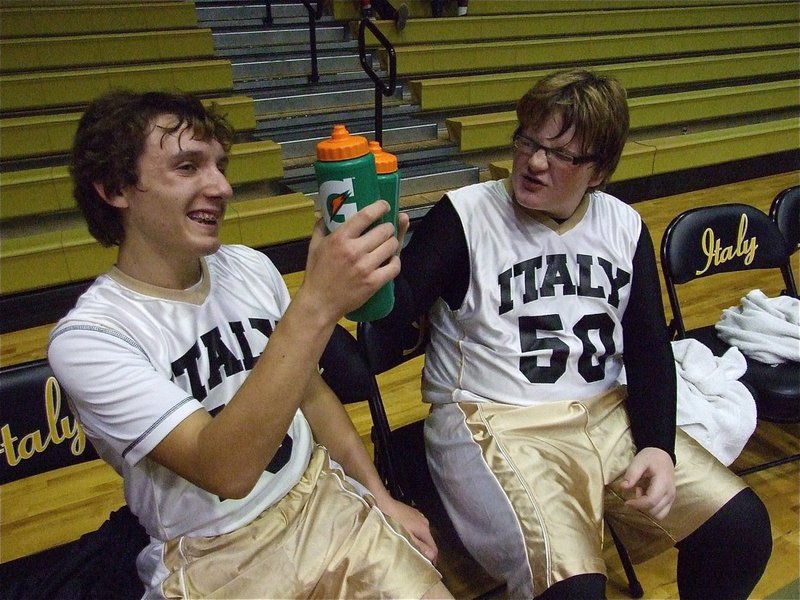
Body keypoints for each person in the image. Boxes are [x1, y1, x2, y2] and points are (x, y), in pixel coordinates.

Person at [372, 68, 773, 599]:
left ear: (599, 171)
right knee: (575, 591)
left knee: (741, 531)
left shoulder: (623, 225)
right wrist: (372, 283)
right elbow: (377, 345)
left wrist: (658, 445)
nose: (535, 163)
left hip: (606, 410)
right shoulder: (464, 217)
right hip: (493, 420)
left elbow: (649, 346)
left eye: (561, 154)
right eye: (528, 142)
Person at [47, 90, 452, 600]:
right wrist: (318, 301)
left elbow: (311, 396)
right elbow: (226, 470)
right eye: (188, 166)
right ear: (114, 188)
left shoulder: (250, 268)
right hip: (214, 556)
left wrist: (379, 496)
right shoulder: (91, 339)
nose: (220, 186)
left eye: (219, 166)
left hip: (321, 503)